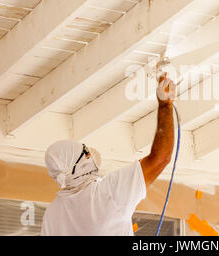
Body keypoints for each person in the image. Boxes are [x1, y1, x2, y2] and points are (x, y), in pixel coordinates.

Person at [41, 74, 177, 236]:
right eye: (85, 152)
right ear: (76, 167)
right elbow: (160, 159)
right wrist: (165, 106)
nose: (90, 155)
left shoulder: (53, 214)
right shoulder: (106, 194)